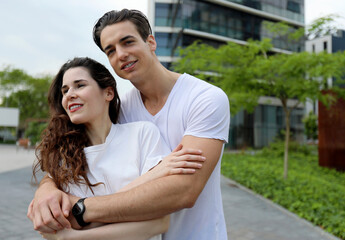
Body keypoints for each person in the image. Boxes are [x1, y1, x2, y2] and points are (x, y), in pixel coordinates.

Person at [28, 9, 230, 240]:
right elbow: (79, 159)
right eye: (111, 50)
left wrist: (80, 209)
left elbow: (184, 191)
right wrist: (47, 189)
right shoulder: (121, 109)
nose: (121, 54)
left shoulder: (204, 98)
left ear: (151, 42)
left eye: (127, 42)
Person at [31, 57, 205, 240]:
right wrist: (152, 176)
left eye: (80, 85)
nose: (69, 95)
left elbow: (159, 222)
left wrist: (71, 235)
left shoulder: (142, 134)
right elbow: (69, 221)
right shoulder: (63, 155)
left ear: (108, 93)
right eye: (65, 90)